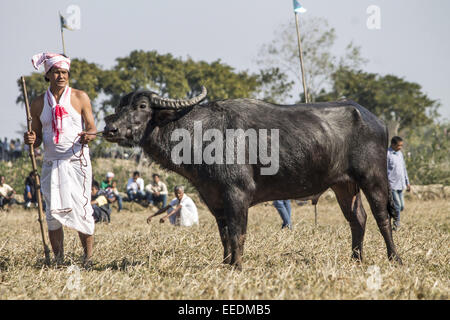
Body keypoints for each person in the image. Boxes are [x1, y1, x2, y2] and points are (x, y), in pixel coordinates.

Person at [23, 52, 97, 266]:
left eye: (64, 72)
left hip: (77, 162)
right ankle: (58, 259)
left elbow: (91, 128)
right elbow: (35, 140)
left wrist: (89, 136)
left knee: (83, 208)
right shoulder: (37, 104)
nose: (61, 76)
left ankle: (88, 258)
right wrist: (30, 139)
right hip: (51, 164)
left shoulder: (80, 97)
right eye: (56, 72)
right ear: (48, 75)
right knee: (52, 212)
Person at [387, 136, 411, 231]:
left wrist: (407, 182)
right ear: (393, 144)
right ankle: (396, 226)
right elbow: (384, 170)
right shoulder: (387, 154)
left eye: (401, 145)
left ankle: (389, 216)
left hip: (401, 184)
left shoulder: (400, 154)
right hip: (392, 185)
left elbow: (403, 169)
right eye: (398, 145)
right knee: (397, 205)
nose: (400, 147)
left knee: (401, 207)